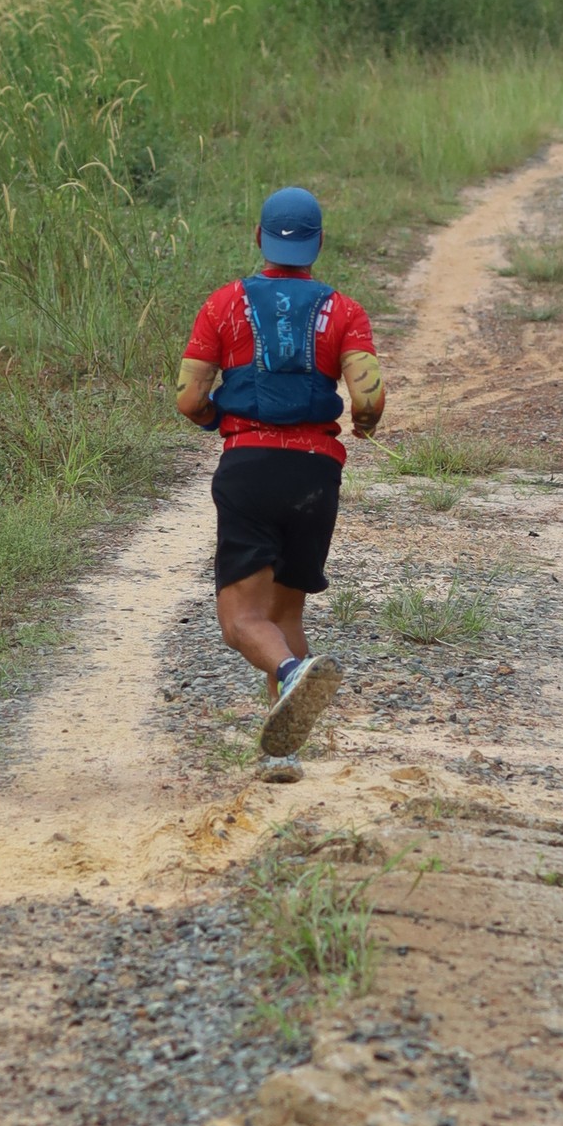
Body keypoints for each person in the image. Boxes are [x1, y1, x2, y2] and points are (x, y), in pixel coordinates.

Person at [176, 186, 384, 756]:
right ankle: (284, 752)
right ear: (319, 242)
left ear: (259, 238)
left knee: (241, 621)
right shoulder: (345, 310)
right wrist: (364, 425)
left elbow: (189, 398)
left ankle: (292, 673)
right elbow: (369, 395)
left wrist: (216, 418)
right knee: (284, 615)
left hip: (251, 467)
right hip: (316, 476)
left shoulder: (223, 304)